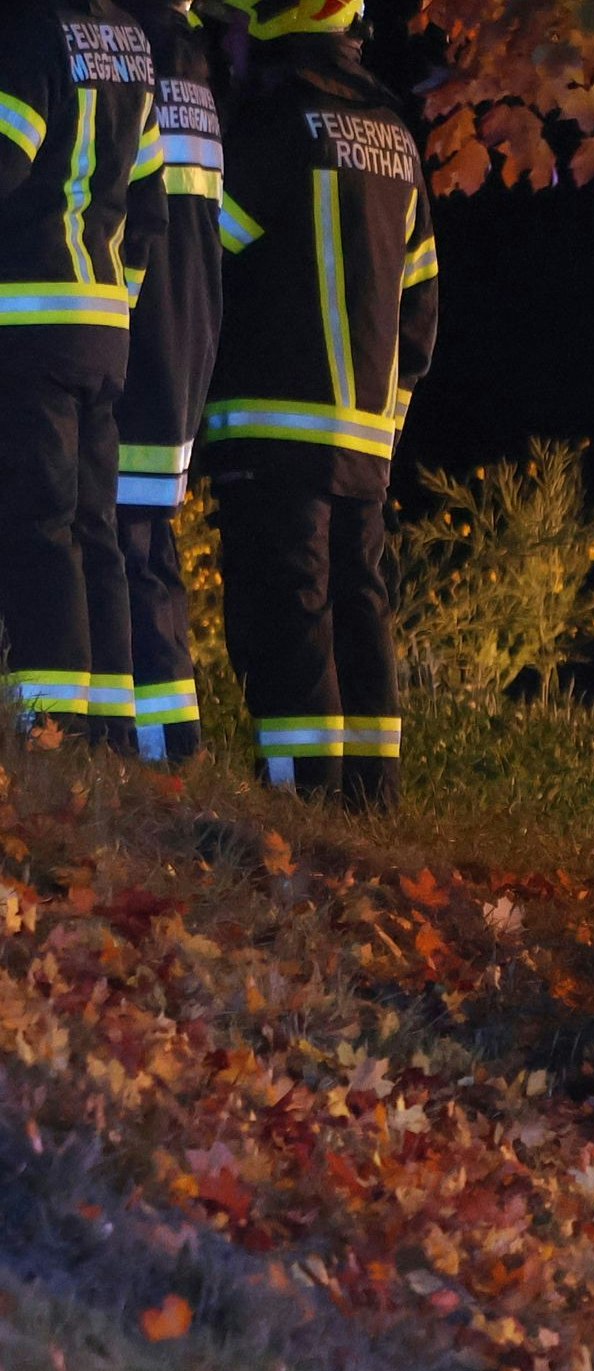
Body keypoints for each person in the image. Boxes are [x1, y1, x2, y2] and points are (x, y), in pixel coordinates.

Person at [198, 0, 426, 805]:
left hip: (271, 428)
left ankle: (300, 799)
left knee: (286, 615)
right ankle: (372, 796)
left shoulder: (275, 122)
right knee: (360, 606)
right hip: (365, 438)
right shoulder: (394, 134)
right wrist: (386, 417)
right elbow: (421, 289)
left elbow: (206, 253)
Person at [0, 0, 158, 742]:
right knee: (97, 528)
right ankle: (111, 729)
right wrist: (117, 299)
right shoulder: (130, 40)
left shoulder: (33, 30)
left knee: (39, 524)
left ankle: (50, 726)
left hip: (30, 314)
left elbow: (6, 156)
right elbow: (151, 204)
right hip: (105, 322)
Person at [112, 0, 211, 757]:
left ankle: (135, 742)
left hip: (134, 332)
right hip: (186, 340)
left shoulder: (138, 53)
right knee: (150, 546)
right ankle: (173, 738)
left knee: (118, 542)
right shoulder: (193, 69)